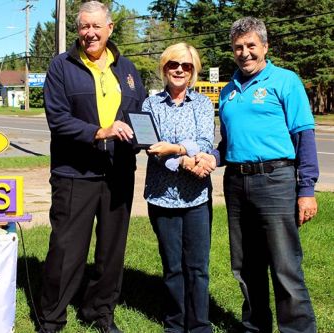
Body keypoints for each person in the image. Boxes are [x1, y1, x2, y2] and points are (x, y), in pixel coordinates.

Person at [196, 17, 318, 333]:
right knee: (246, 266)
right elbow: (229, 141)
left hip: (275, 181)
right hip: (236, 183)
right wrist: (213, 157)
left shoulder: (285, 81)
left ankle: (298, 329)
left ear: (264, 46)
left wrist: (306, 189)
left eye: (251, 45)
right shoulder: (228, 91)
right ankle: (255, 327)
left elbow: (303, 135)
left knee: (285, 266)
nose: (245, 52)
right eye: (238, 47)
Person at [38, 2, 146, 332]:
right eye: (84, 27)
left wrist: (149, 142)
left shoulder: (126, 70)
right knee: (67, 251)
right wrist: (98, 132)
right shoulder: (62, 66)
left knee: (111, 251)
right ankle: (52, 319)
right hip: (75, 174)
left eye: (97, 26)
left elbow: (139, 115)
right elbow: (57, 119)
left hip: (118, 173)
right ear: (78, 30)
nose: (90, 33)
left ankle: (99, 311)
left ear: (110, 29)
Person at [141, 42, 214, 333]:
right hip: (162, 197)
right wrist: (184, 161)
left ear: (194, 70)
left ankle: (199, 326)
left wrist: (178, 148)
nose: (180, 70)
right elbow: (152, 147)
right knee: (172, 267)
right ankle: (174, 324)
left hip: (197, 197)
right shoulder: (150, 105)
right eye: (174, 64)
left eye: (186, 65)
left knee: (197, 268)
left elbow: (206, 143)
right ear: (164, 68)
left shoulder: (204, 104)